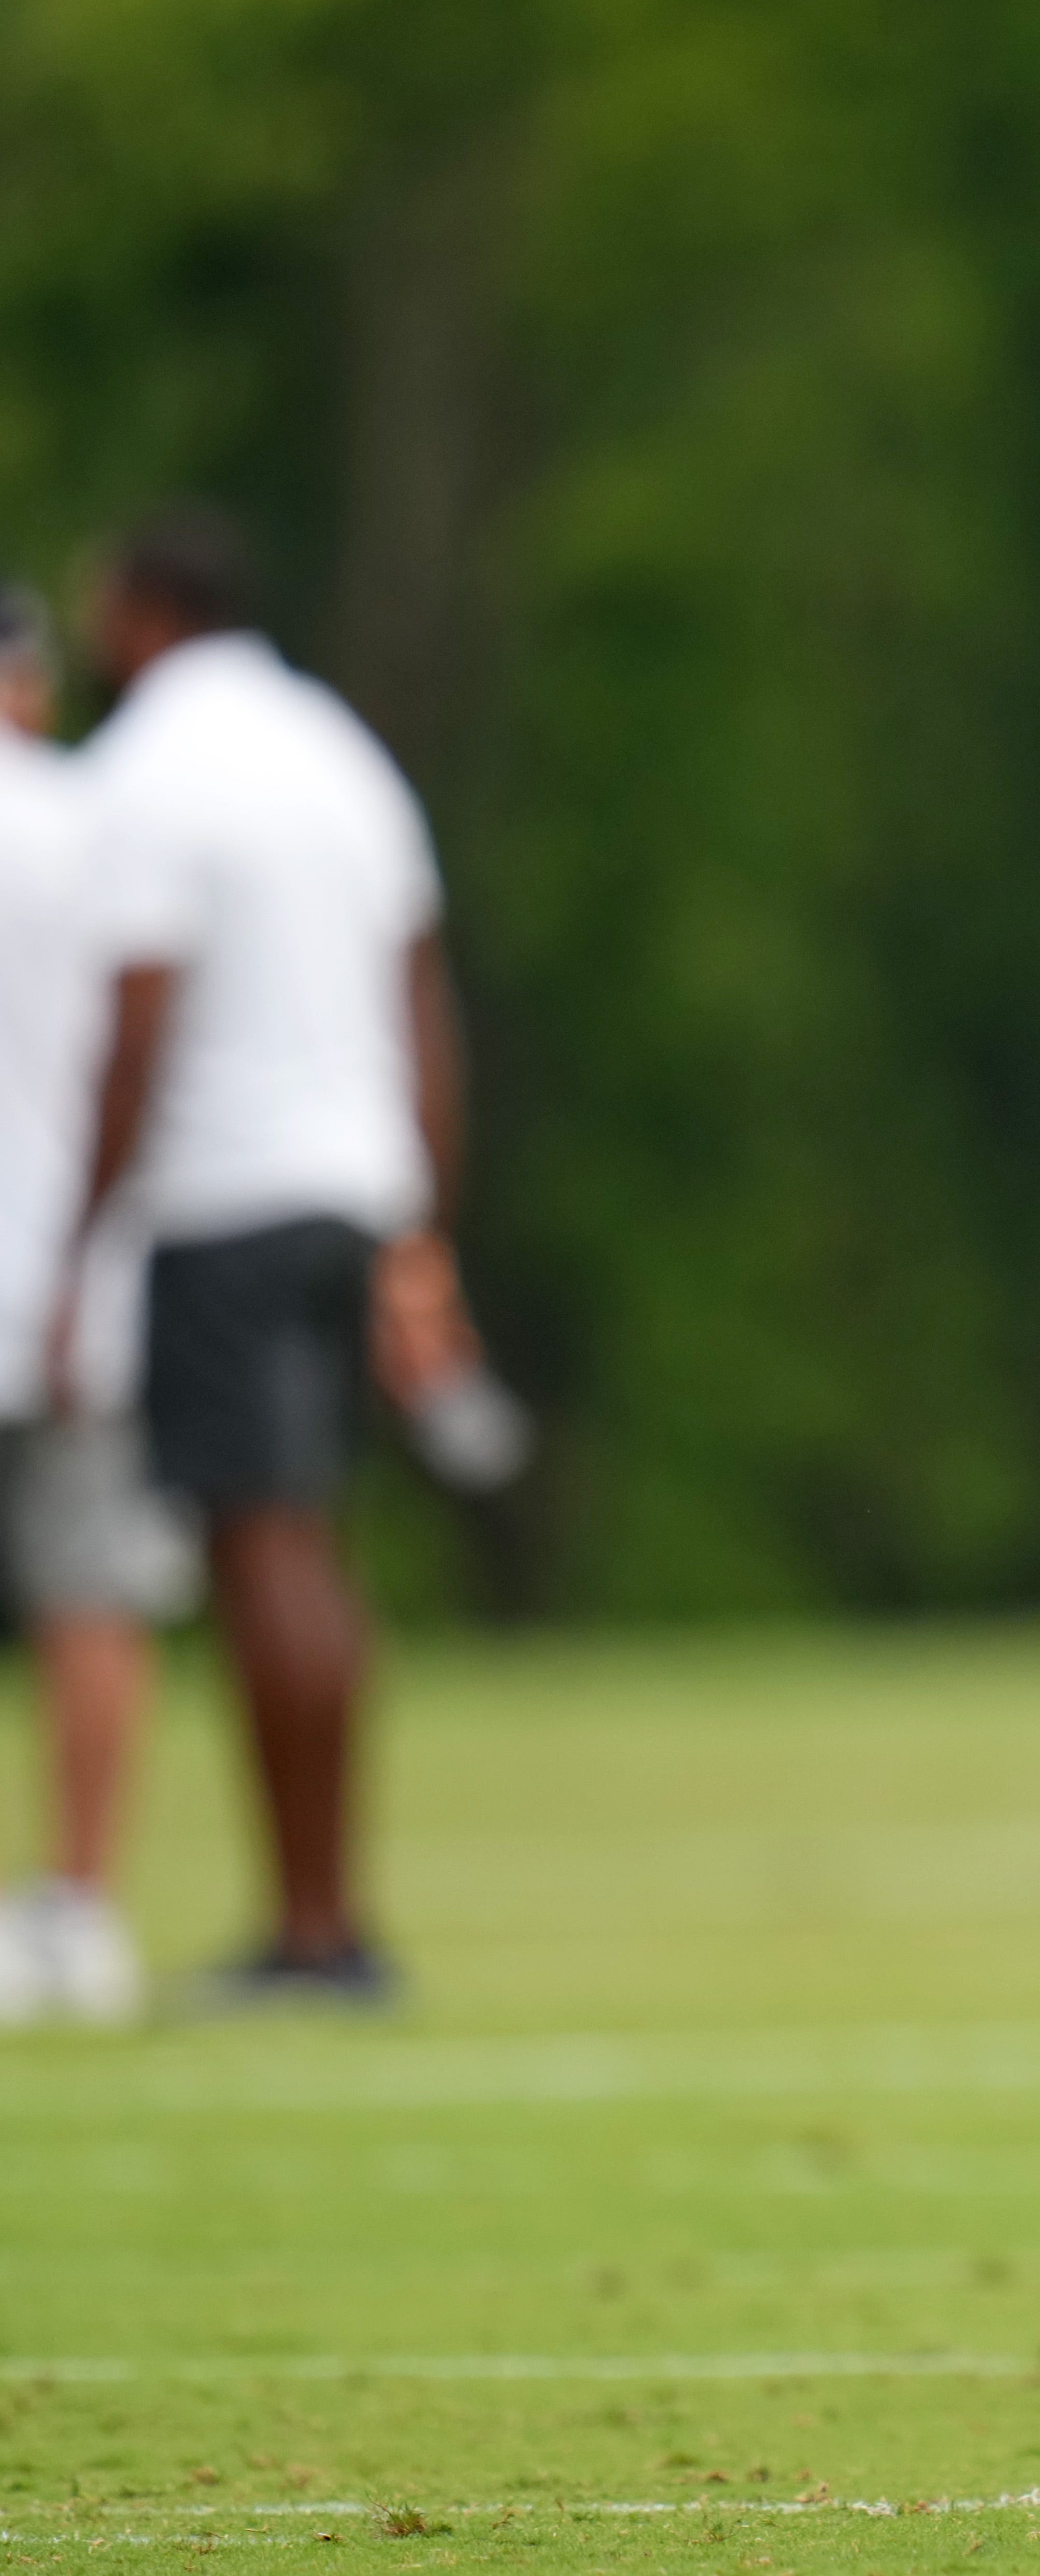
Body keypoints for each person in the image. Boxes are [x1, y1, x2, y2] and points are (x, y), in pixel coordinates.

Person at [60, 504, 478, 2009]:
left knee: (267, 1547)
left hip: (224, 1194)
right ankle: (320, 1912)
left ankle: (316, 1926)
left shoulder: (151, 773)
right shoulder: (338, 752)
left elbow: (138, 1016)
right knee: (305, 1541)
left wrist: (78, 1215)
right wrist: (422, 1219)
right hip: (353, 1190)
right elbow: (421, 995)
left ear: (137, 614)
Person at [0, 581, 192, 2027]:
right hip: (73, 1262)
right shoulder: (88, 824)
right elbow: (147, 1041)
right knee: (89, 1592)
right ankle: (78, 1905)